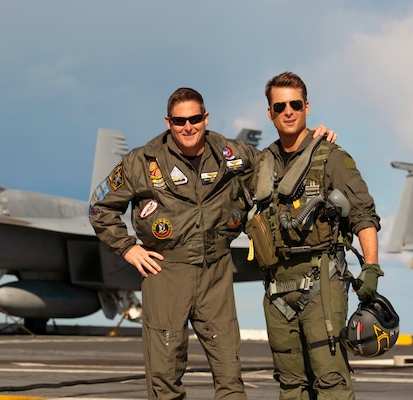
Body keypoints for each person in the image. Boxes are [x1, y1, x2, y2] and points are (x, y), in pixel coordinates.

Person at [88, 87, 335, 399]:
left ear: (205, 118)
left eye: (194, 119)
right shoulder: (141, 162)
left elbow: (278, 165)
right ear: (168, 122)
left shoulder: (233, 154)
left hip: (216, 272)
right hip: (165, 272)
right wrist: (128, 248)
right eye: (179, 121)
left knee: (229, 373)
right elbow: (99, 208)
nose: (187, 127)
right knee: (164, 377)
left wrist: (310, 140)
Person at [245, 71, 382, 400]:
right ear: (270, 113)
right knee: (290, 384)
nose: (288, 111)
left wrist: (372, 267)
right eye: (280, 107)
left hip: (322, 280)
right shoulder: (261, 164)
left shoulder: (332, 158)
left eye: (295, 104)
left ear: (306, 106)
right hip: (276, 286)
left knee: (330, 380)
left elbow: (363, 214)